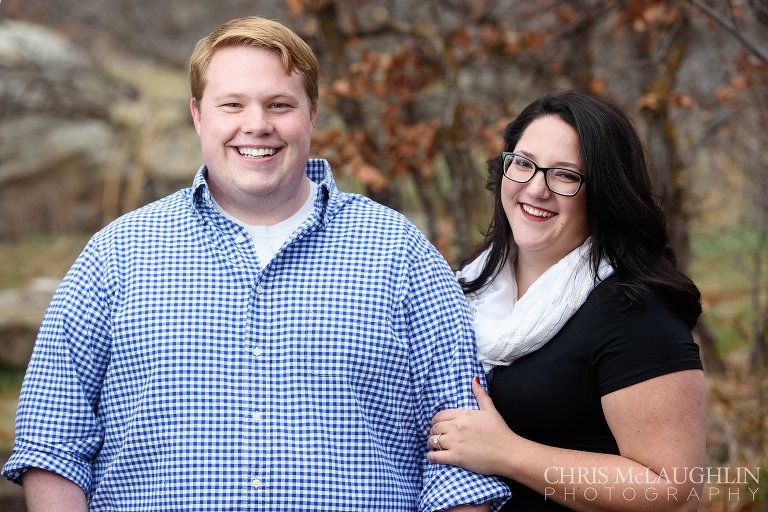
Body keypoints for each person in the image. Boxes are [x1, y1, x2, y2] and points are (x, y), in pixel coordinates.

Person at [2, 16, 509, 511]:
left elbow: (459, 457)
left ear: (312, 114)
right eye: (232, 104)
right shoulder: (117, 255)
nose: (257, 125)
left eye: (279, 104)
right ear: (199, 115)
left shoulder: (401, 254)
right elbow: (52, 443)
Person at [426, 90, 706, 511]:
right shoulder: (464, 286)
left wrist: (508, 453)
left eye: (565, 175)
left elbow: (671, 487)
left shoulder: (634, 309)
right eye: (523, 164)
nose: (536, 189)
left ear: (604, 193)